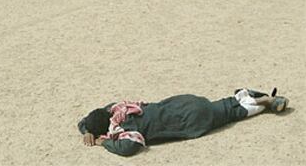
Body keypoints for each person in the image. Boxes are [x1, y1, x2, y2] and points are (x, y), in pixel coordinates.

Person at [78, 88, 289, 156]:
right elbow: (84, 121)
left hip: (188, 120)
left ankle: (260, 102)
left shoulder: (122, 127)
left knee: (228, 115)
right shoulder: (118, 108)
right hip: (182, 103)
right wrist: (87, 127)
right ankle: (247, 95)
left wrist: (102, 142)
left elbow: (130, 145)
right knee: (222, 107)